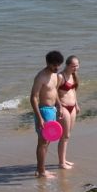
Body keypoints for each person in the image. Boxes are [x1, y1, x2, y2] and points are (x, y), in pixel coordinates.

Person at [30, 50, 64, 178]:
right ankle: (41, 171)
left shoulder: (55, 76)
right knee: (43, 143)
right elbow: (33, 98)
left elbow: (54, 92)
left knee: (47, 141)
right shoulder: (41, 77)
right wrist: (39, 118)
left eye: (59, 65)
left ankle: (40, 169)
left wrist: (59, 105)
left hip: (52, 110)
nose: (57, 67)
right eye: (54, 65)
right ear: (48, 63)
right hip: (44, 111)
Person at [57, 56, 82, 170]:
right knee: (64, 135)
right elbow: (54, 92)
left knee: (68, 135)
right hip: (64, 107)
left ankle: (64, 159)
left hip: (72, 107)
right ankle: (61, 163)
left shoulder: (74, 75)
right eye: (73, 66)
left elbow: (73, 91)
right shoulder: (60, 76)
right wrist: (59, 106)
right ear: (67, 65)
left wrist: (76, 104)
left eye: (77, 66)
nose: (75, 68)